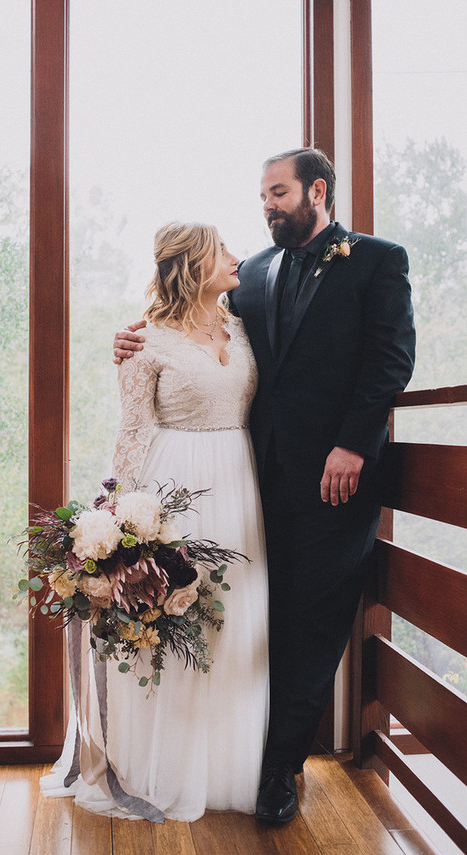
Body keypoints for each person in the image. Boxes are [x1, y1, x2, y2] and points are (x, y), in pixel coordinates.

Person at [113, 148, 416, 825]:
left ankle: (280, 768)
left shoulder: (376, 260)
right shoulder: (251, 272)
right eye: (262, 195)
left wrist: (353, 444)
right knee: (237, 621)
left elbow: (392, 358)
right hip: (248, 484)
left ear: (317, 189)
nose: (266, 205)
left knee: (310, 623)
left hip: (336, 486)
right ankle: (219, 753)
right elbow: (186, 324)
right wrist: (129, 344)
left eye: (277, 192)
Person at [41, 221, 270, 822]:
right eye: (223, 250)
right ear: (195, 264)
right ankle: (157, 767)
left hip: (240, 485)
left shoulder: (243, 326)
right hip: (175, 484)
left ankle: (227, 770)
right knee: (173, 617)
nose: (235, 257)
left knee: (234, 626)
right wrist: (122, 515)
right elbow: (134, 428)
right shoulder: (145, 340)